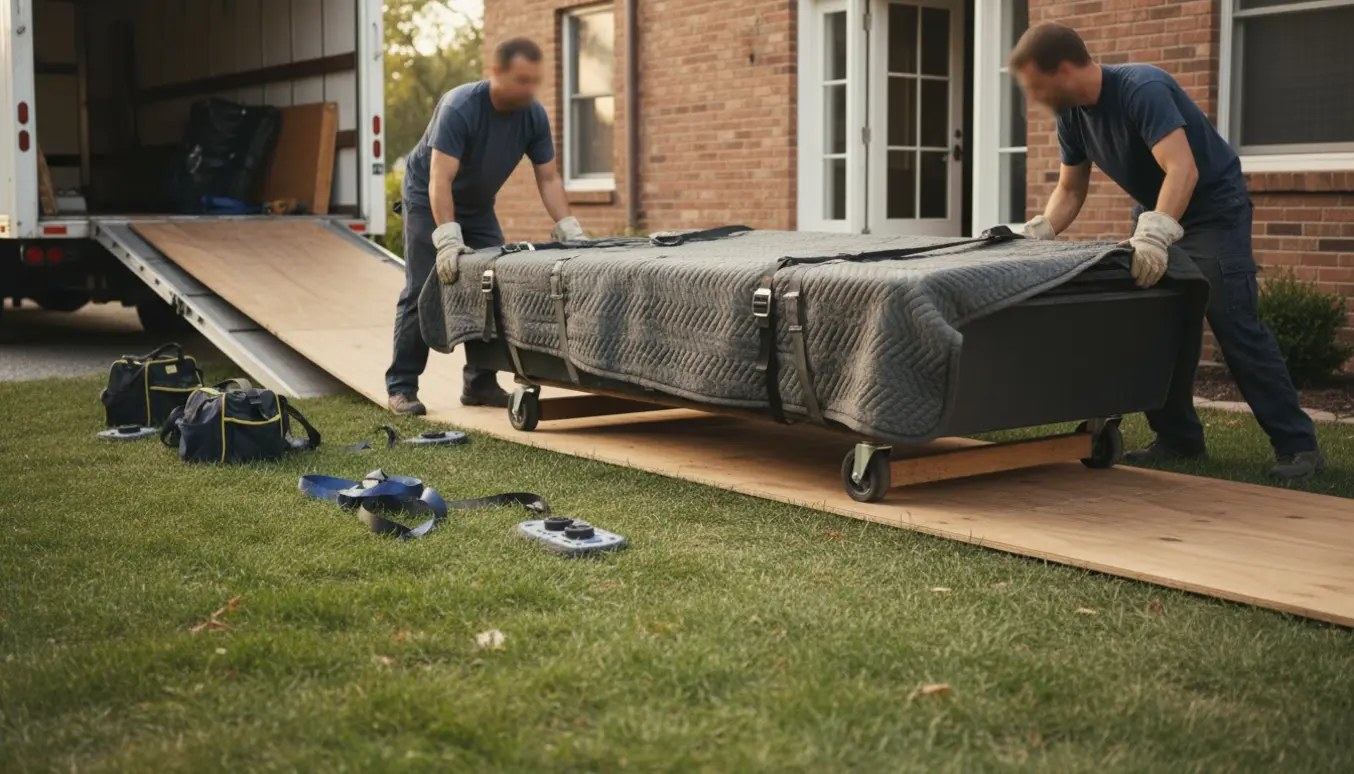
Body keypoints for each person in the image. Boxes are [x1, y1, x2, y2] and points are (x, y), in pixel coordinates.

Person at [1008, 22, 1324, 480]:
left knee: (1234, 324)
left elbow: (1183, 169)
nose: (1035, 99)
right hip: (1157, 213)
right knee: (1159, 328)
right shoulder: (1071, 115)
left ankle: (1298, 446)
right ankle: (1179, 439)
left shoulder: (1142, 87)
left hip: (1213, 211)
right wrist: (1039, 231)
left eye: (1038, 86)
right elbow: (1070, 190)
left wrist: (1153, 235)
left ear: (1065, 68)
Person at [386, 37, 586, 415]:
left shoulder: (533, 115)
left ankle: (478, 383)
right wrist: (447, 239)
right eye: (521, 80)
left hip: (477, 207)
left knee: (489, 287)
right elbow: (439, 179)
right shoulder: (460, 107)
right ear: (496, 74)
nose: (529, 89)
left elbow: (549, 178)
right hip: (427, 197)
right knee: (422, 290)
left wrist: (569, 228)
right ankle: (401, 386)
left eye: (534, 81)